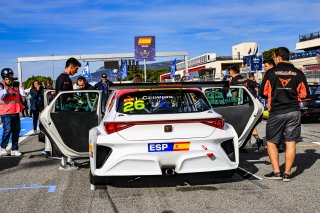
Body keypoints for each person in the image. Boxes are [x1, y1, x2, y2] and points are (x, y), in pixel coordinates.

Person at [259, 47, 309, 181]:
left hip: (276, 111)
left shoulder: (271, 73)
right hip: (293, 111)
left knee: (271, 141)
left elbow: (262, 92)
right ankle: (287, 173)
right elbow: (305, 94)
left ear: (278, 57)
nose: (274, 59)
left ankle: (276, 172)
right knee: (291, 141)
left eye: (274, 57)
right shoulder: (298, 73)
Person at [55, 57, 81, 170]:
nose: (77, 71)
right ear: (71, 66)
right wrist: (78, 101)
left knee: (68, 137)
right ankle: (64, 163)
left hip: (63, 112)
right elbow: (65, 98)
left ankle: (68, 161)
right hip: (65, 112)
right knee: (66, 137)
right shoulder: (65, 79)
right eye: (76, 68)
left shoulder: (63, 77)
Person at [0, 68, 24, 156]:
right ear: (4, 76)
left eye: (11, 75)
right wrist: (6, 87)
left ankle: (14, 149)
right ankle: (3, 148)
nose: (11, 77)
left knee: (16, 130)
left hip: (15, 111)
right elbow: (1, 96)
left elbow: (17, 96)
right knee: (7, 130)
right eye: (9, 75)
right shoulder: (1, 85)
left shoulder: (15, 85)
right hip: (5, 112)